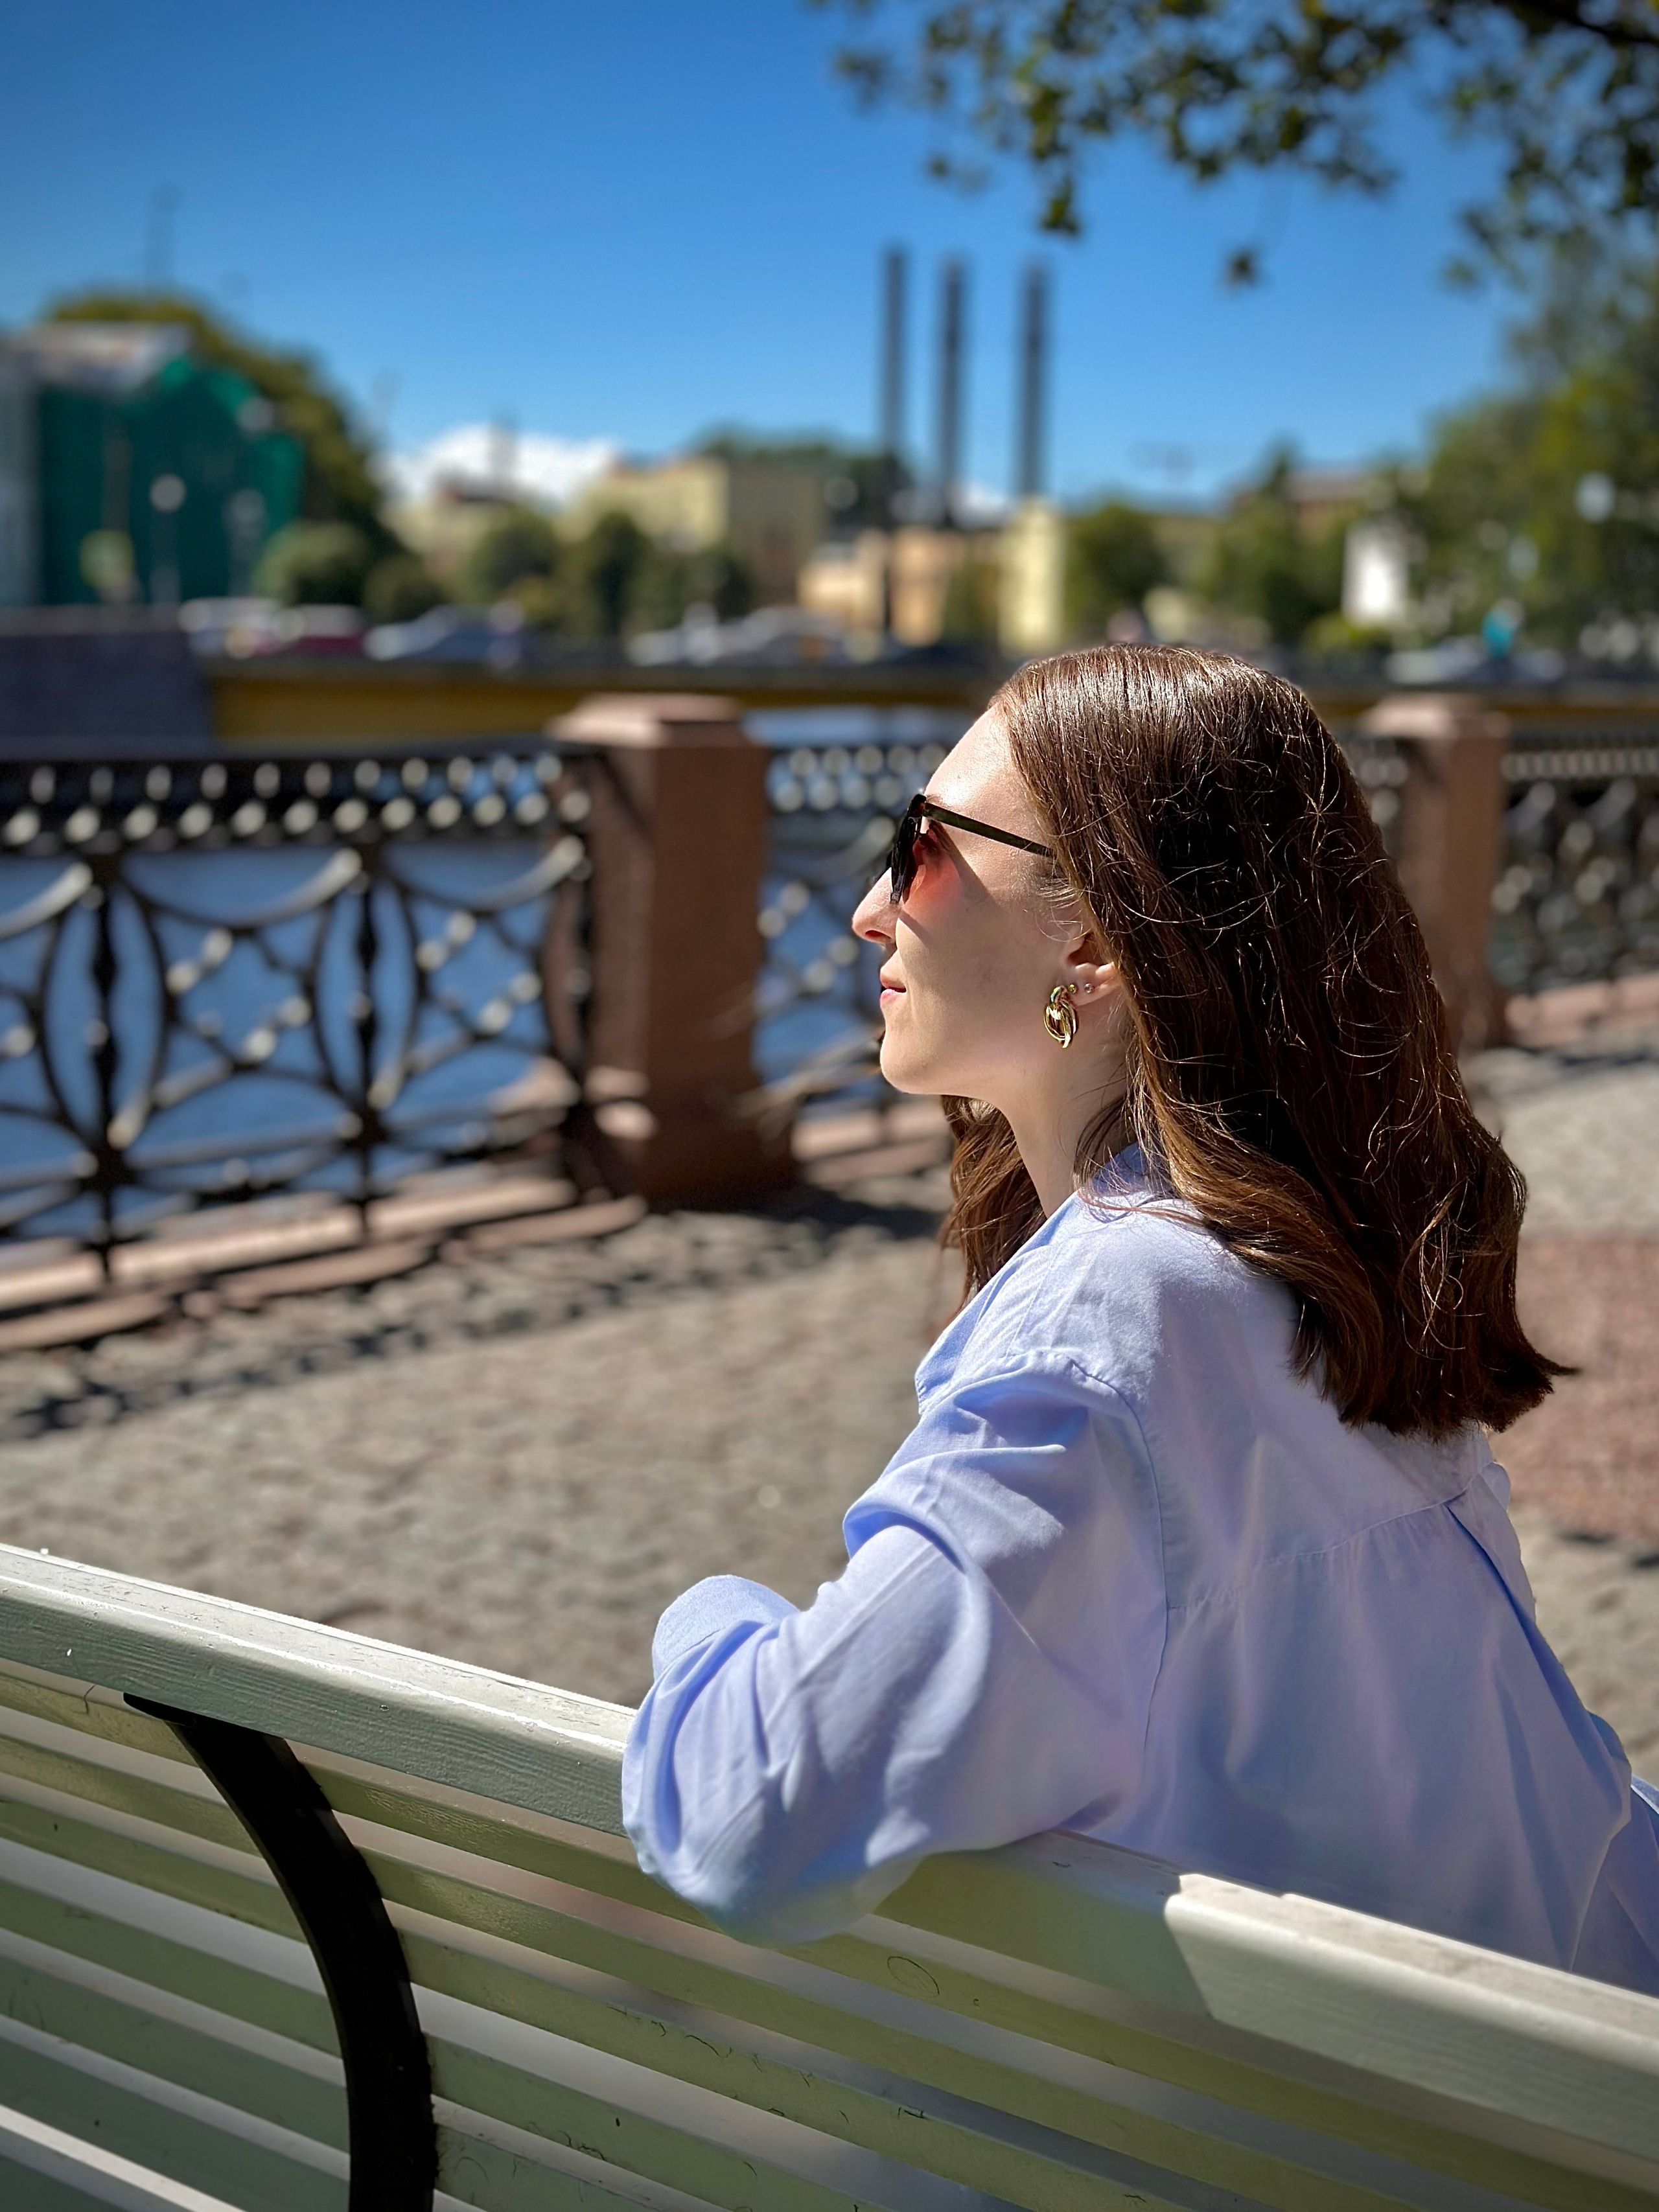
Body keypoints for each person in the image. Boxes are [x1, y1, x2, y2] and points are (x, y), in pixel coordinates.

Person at [622, 645, 1659, 1993]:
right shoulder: (1300, 1274)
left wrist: (706, 1615)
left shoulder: (1112, 1338)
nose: (871, 910)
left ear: (1098, 936)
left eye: (921, 848)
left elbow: (752, 1812)